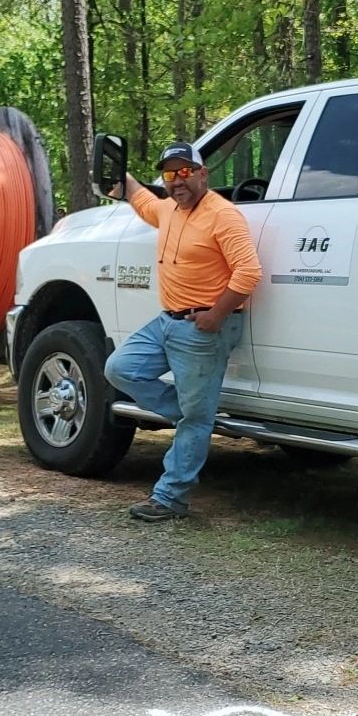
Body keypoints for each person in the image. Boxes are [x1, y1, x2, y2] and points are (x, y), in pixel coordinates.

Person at [104, 142, 263, 522]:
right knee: (119, 368)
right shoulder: (168, 209)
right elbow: (143, 201)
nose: (178, 181)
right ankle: (194, 417)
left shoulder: (223, 216)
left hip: (202, 327)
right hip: (167, 322)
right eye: (170, 174)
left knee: (195, 416)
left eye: (185, 172)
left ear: (203, 174)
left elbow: (249, 271)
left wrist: (216, 315)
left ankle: (170, 498)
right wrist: (119, 176)